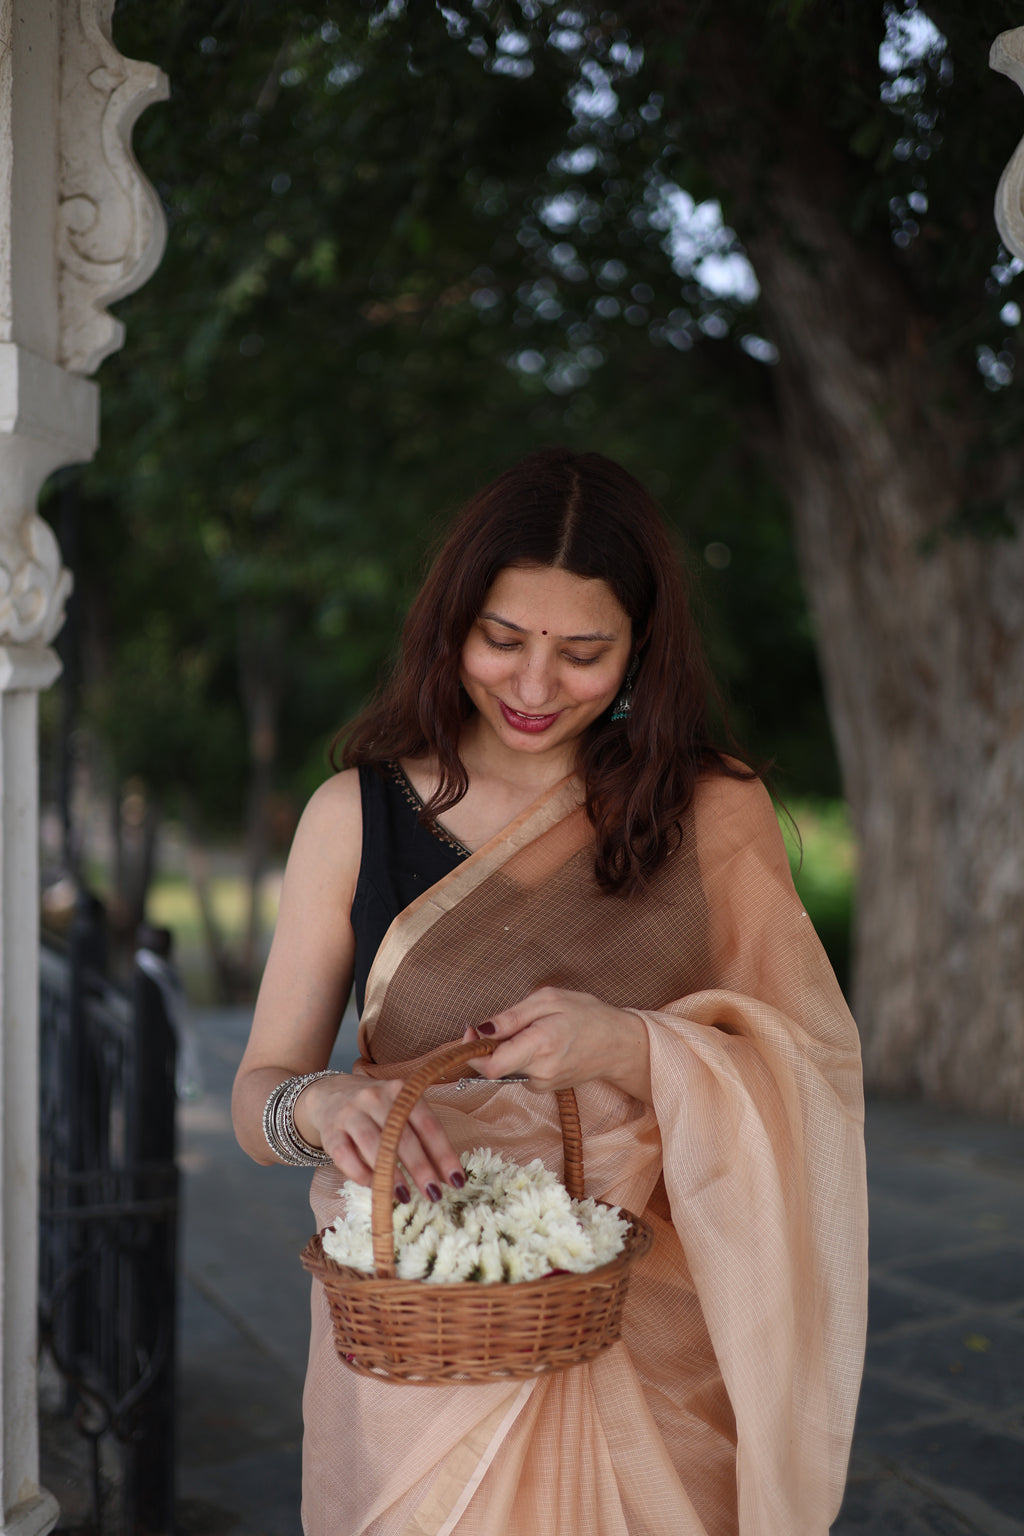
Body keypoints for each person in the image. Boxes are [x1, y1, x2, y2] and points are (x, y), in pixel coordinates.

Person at [232, 448, 868, 1536]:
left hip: (651, 1339)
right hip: (423, 1336)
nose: (533, 688)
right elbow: (258, 1098)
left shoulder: (711, 812)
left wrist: (632, 1047)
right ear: (451, 625)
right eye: (502, 640)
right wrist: (326, 1104)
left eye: (582, 654)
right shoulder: (354, 815)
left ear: (641, 649)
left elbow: (808, 1071)